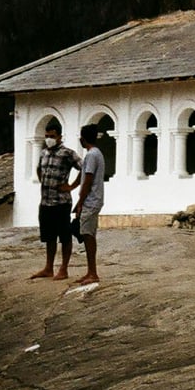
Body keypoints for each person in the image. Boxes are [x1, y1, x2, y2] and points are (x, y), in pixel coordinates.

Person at [31, 119, 81, 281]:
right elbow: (39, 169)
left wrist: (71, 186)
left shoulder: (67, 153)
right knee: (49, 236)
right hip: (45, 201)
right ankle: (48, 267)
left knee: (64, 236)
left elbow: (85, 168)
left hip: (61, 202)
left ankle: (64, 268)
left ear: (59, 136)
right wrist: (45, 182)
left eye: (51, 136)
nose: (48, 139)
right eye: (46, 136)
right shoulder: (43, 153)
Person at [70, 123, 107, 286]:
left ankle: (93, 272)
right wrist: (71, 186)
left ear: (82, 138)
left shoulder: (92, 155)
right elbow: (83, 175)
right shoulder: (93, 154)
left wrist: (80, 201)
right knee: (87, 233)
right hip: (93, 199)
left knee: (88, 234)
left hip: (91, 200)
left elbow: (88, 179)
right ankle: (90, 271)